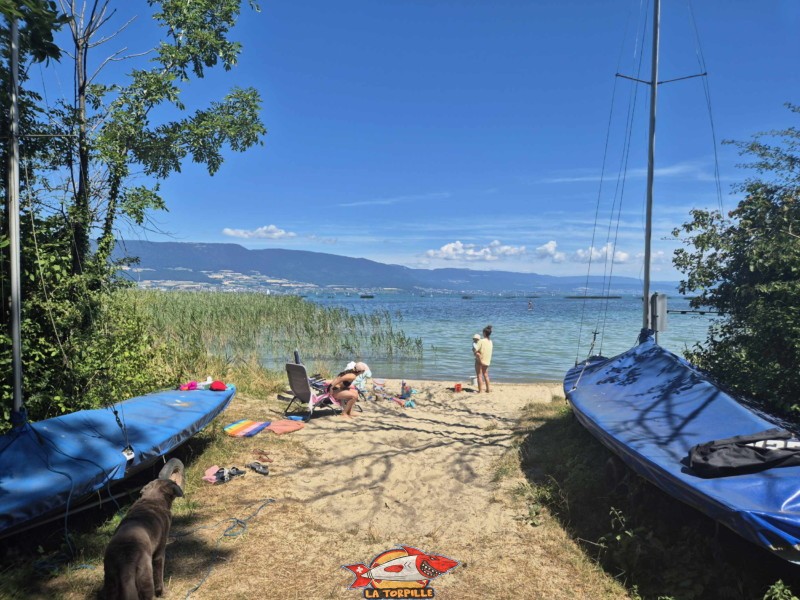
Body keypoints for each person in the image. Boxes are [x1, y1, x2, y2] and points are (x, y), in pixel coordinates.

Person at [474, 325, 493, 393]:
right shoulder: (490, 342)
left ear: (484, 333)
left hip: (480, 360)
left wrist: (474, 348)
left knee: (479, 375)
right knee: (486, 375)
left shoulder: (481, 341)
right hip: (487, 360)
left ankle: (480, 391)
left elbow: (475, 350)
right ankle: (488, 389)